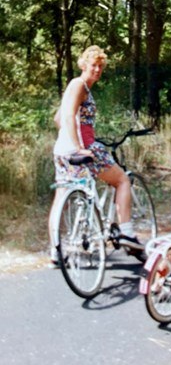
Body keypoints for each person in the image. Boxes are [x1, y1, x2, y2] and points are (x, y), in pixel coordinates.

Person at [48, 45, 143, 266]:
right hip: (81, 148)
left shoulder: (75, 88)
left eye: (101, 66)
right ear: (83, 65)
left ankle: (55, 251)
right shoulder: (79, 85)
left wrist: (68, 140)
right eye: (93, 65)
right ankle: (127, 232)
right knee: (122, 180)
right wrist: (79, 145)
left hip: (61, 152)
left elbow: (58, 118)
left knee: (63, 197)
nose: (97, 70)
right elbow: (70, 116)